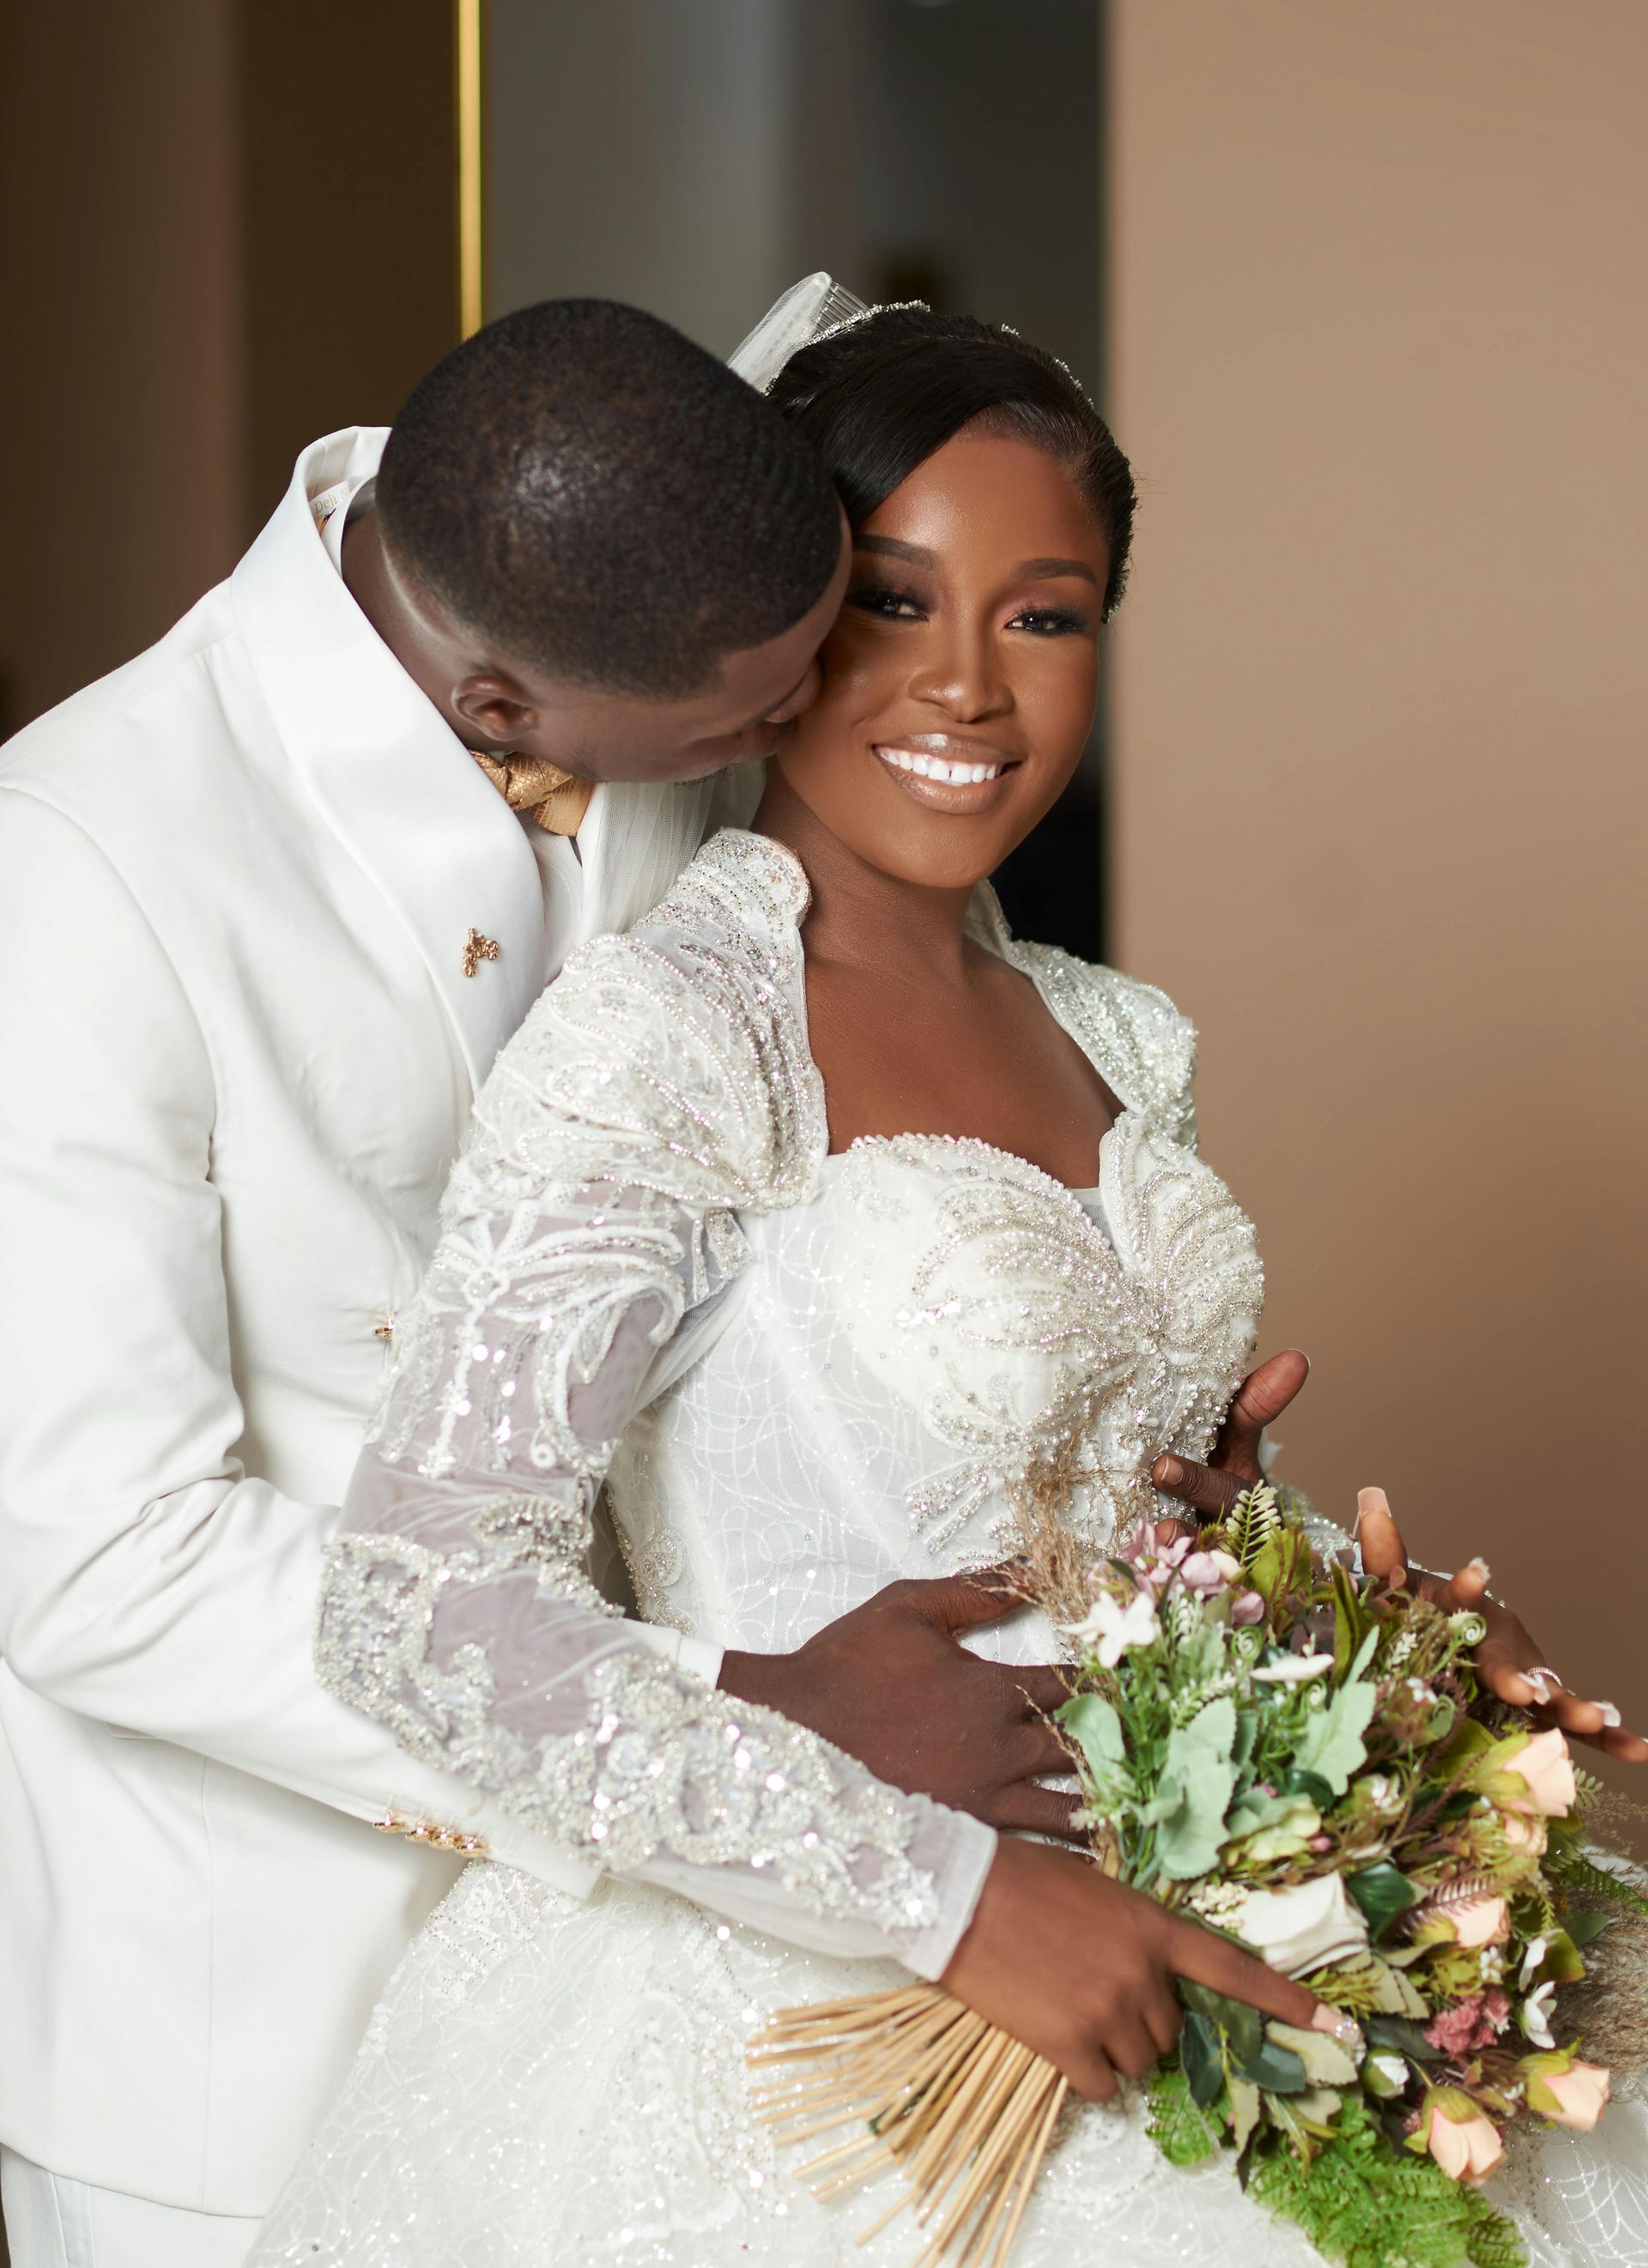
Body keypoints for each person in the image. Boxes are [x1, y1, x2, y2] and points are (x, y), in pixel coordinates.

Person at [250, 299, 1645, 2266]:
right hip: (811, 2002)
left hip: (1195, 1910)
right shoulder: (671, 1034)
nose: (972, 686)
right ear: (786, 633)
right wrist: (951, 1897)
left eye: (1046, 614)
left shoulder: (1114, 1033)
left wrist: (1370, 1654)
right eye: (897, 604)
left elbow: (1125, 1525)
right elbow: (417, 1599)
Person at [0, 298, 1173, 2268]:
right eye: (762, 716)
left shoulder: (626, 553)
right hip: (259, 1993)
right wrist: (749, 1716)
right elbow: (95, 1563)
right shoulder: (76, 873)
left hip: (757, 1992)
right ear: (500, 707)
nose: (829, 719)